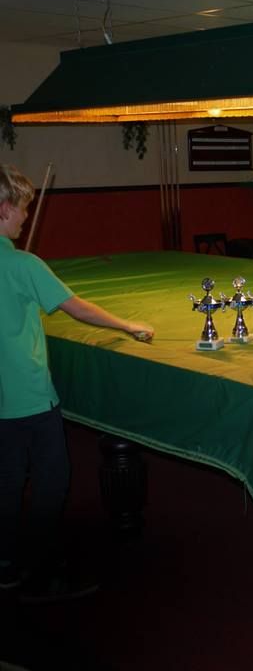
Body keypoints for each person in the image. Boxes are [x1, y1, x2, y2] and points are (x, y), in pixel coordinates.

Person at [0, 163, 154, 602]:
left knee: (7, 482)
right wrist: (128, 326)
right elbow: (77, 308)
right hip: (29, 396)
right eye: (22, 211)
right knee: (53, 480)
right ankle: (44, 571)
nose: (26, 218)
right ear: (5, 208)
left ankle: (6, 565)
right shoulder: (24, 263)